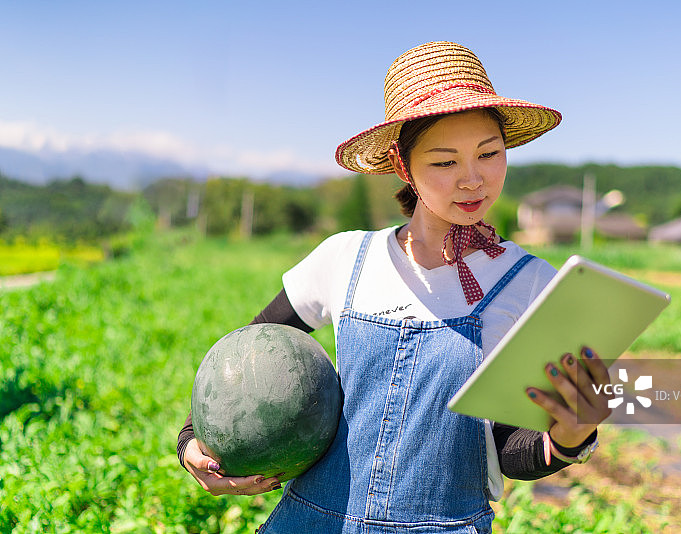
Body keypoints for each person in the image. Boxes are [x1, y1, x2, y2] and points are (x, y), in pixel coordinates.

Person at [177, 41, 612, 533]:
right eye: (445, 162)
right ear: (405, 167)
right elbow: (241, 357)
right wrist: (193, 439)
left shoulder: (531, 284)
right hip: (312, 521)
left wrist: (572, 436)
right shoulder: (347, 258)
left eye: (489, 154)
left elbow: (511, 451)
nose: (473, 179)